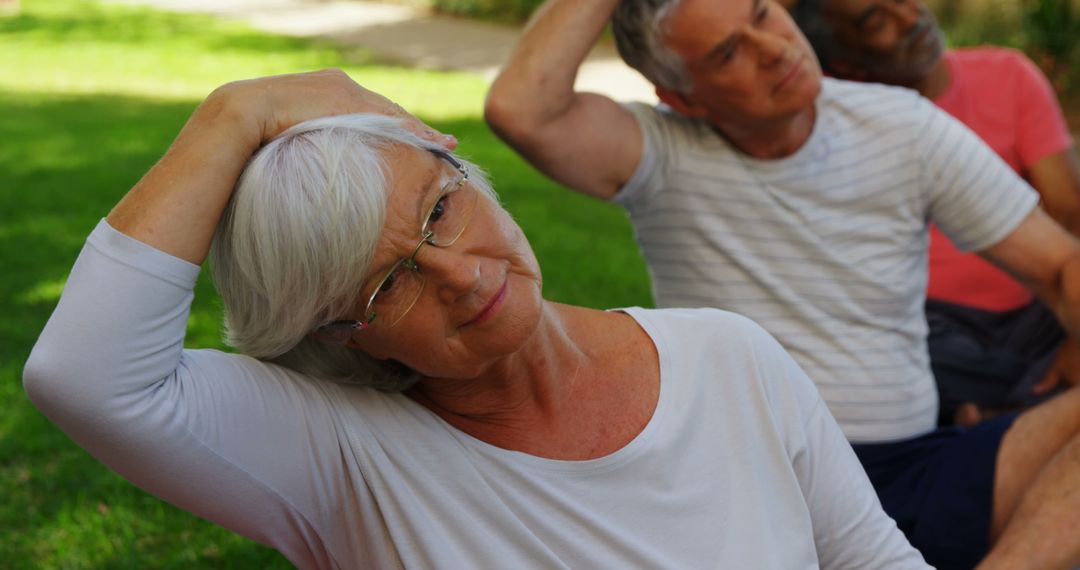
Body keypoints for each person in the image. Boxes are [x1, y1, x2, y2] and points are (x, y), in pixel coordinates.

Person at [22, 69, 928, 568]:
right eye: (388, 288)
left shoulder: (727, 357)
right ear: (342, 337)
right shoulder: (342, 452)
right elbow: (85, 377)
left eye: (439, 211)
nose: (458, 275)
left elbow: (871, 562)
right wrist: (235, 113)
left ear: (466, 172)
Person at [484, 0, 1080, 568]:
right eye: (727, 54)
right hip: (747, 483)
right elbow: (521, 108)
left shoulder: (902, 126)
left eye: (763, 13)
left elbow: (1059, 266)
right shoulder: (659, 152)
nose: (774, 49)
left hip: (912, 468)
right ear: (682, 98)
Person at [783, 0, 1080, 428]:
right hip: (927, 327)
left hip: (1037, 310)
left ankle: (998, 417)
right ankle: (1032, 407)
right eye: (876, 21)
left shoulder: (1008, 75)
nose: (910, 18)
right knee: (886, 354)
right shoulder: (823, 118)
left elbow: (1070, 215)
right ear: (847, 67)